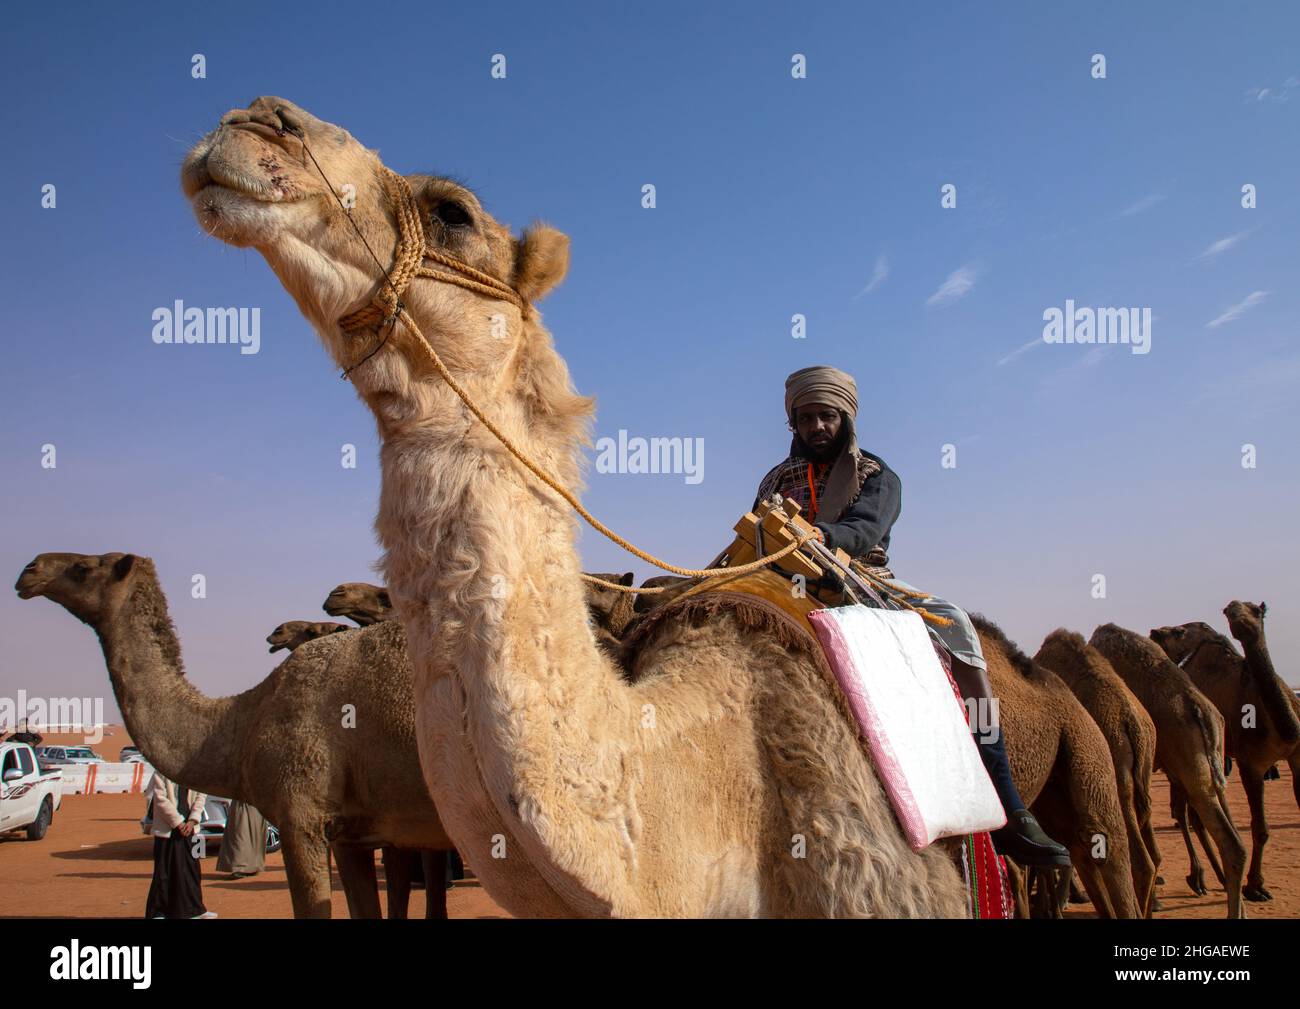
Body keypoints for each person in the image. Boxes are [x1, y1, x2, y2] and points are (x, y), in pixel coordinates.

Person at [753, 365, 1070, 869]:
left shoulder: (877, 475)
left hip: (862, 580)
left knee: (956, 626)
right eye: (806, 418)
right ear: (793, 423)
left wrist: (824, 537)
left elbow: (864, 529)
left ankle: (1007, 803)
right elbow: (757, 532)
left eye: (826, 416)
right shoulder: (775, 479)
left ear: (846, 419)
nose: (816, 427)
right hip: (780, 582)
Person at [145, 769, 217, 919]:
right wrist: (178, 822)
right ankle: (159, 912)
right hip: (167, 830)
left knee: (192, 870)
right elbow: (160, 798)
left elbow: (200, 796)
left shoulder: (195, 772)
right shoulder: (161, 771)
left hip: (192, 829)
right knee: (164, 872)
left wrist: (192, 820)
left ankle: (195, 910)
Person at [216, 800, 267, 879]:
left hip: (248, 801)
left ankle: (241, 867)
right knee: (244, 831)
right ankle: (251, 866)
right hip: (252, 801)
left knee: (240, 831)